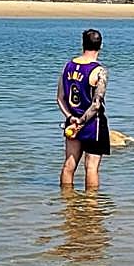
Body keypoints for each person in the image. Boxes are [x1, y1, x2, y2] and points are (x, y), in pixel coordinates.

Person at [57, 28, 110, 190]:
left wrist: (70, 117)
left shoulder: (68, 66)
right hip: (92, 123)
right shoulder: (99, 71)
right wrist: (81, 121)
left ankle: (66, 199)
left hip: (72, 121)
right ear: (100, 46)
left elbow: (60, 98)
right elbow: (96, 104)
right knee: (91, 167)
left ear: (83, 44)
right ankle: (91, 202)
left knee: (69, 164)